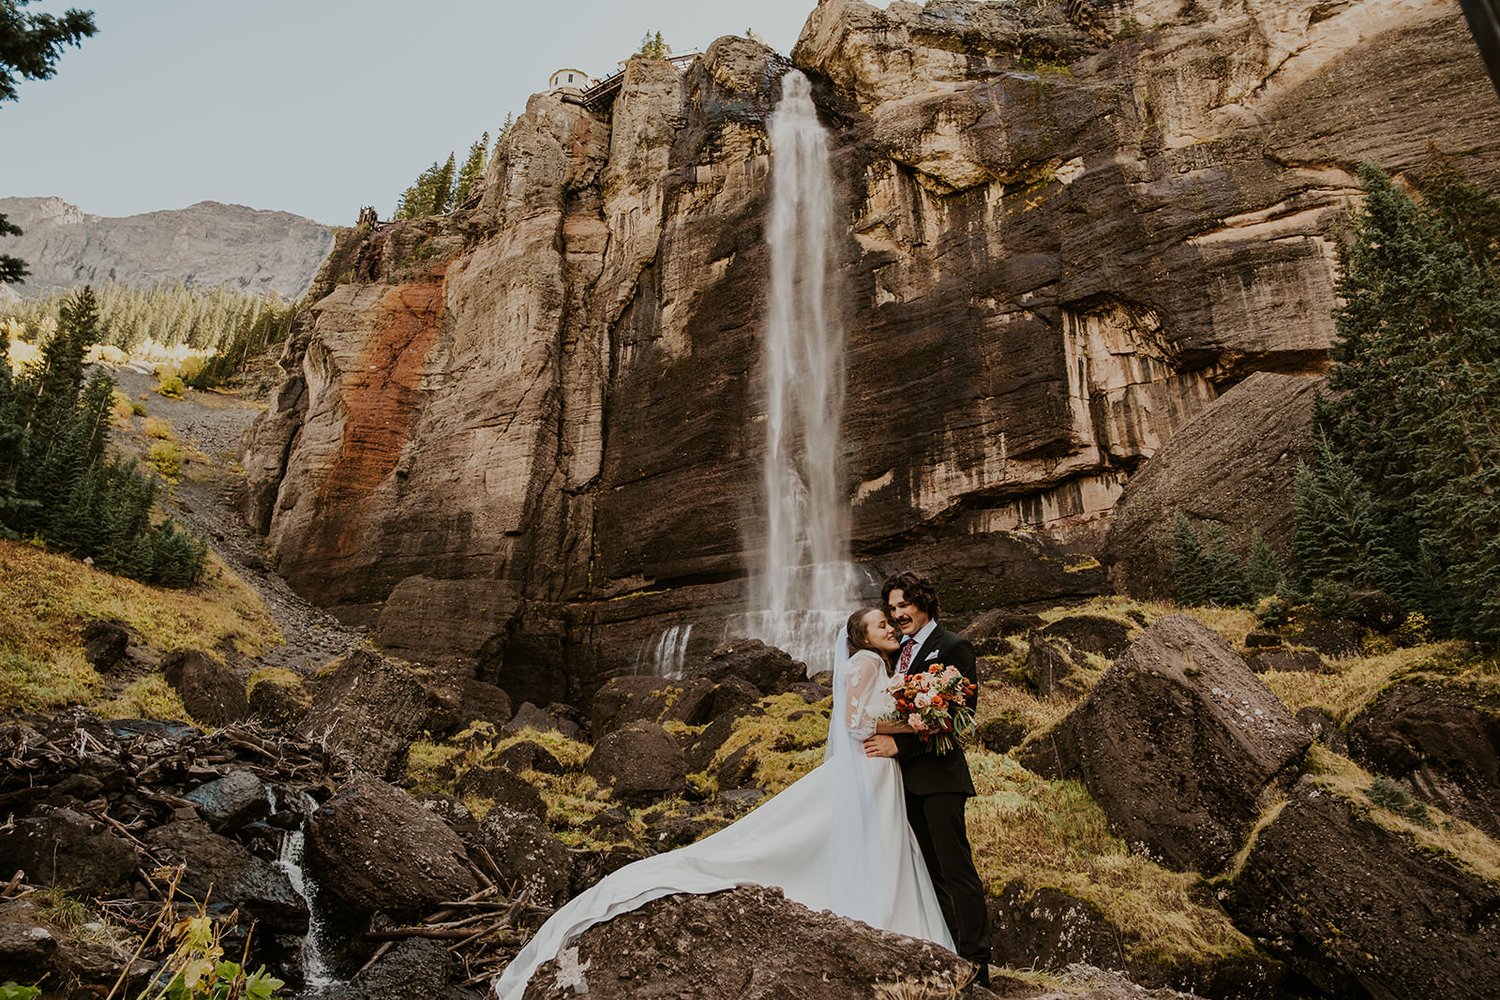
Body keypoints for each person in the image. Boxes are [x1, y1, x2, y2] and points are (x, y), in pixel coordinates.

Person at [491, 608, 957, 999]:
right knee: (838, 840)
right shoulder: (866, 664)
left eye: (890, 624)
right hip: (870, 766)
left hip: (877, 771)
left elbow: (865, 719)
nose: (891, 628)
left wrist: (912, 719)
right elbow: (857, 725)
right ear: (861, 637)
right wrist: (914, 726)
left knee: (879, 843)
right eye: (881, 625)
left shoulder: (882, 666)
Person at [863, 571, 992, 985]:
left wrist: (902, 747)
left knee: (957, 870)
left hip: (939, 777)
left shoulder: (952, 646)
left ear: (925, 603)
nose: (899, 615)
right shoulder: (895, 655)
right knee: (927, 871)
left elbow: (961, 716)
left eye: (905, 605)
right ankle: (949, 950)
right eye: (893, 608)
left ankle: (978, 964)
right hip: (900, 782)